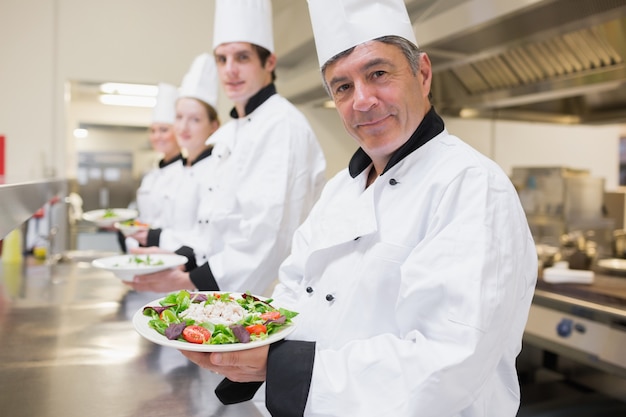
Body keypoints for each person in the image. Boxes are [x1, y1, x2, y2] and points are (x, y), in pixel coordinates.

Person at [179, 0, 538, 416]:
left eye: (378, 74)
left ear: (422, 74)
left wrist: (280, 366)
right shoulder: (341, 189)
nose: (362, 100)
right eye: (343, 87)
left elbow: (446, 363)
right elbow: (294, 291)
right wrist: (244, 346)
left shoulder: (471, 185)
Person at [127, 0, 326, 297]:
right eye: (222, 59)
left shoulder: (282, 126)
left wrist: (190, 281)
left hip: (266, 300)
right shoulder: (234, 131)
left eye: (242, 57)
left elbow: (268, 240)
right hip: (227, 294)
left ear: (269, 62)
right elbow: (215, 228)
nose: (230, 70)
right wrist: (182, 259)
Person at [130, 53, 221, 252]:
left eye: (195, 119)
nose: (183, 127)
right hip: (168, 268)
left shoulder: (217, 171)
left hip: (194, 277)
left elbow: (209, 239)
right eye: (179, 117)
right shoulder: (185, 170)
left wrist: (155, 238)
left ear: (214, 125)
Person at [118, 82, 183, 252]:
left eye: (163, 130)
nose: (156, 136)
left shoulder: (186, 174)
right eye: (153, 131)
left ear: (178, 132)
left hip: (169, 253)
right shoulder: (151, 175)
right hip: (142, 250)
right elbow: (145, 218)